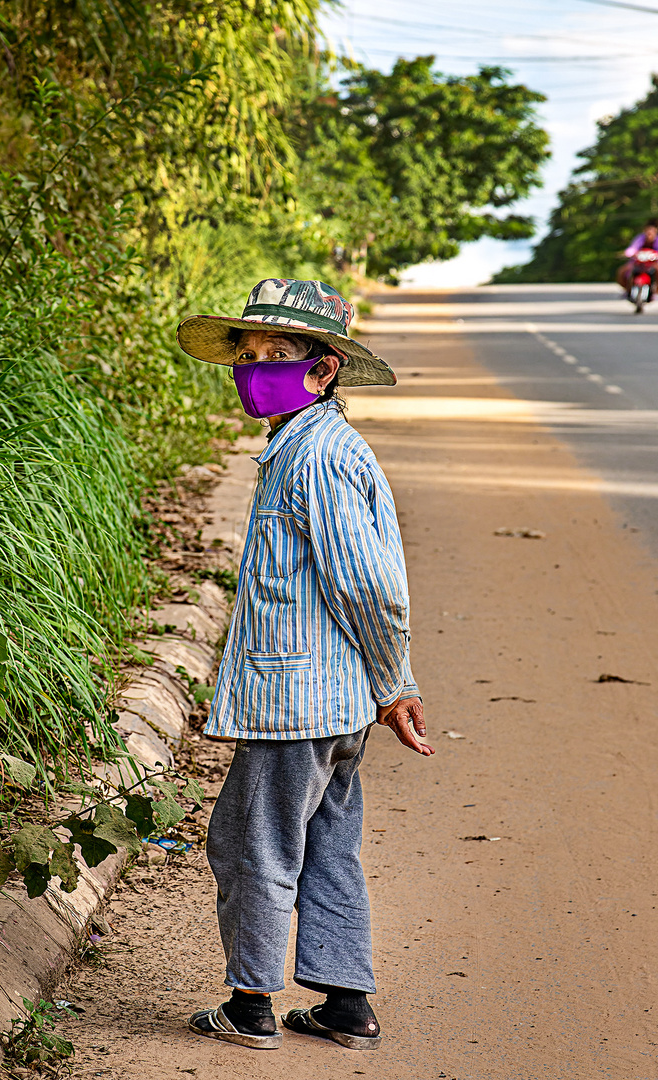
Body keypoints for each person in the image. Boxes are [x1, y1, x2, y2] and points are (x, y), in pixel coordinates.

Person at [175, 278, 433, 1054]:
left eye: (278, 356)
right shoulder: (304, 444)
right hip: (333, 700)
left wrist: (397, 684)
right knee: (325, 843)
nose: (256, 369)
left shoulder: (315, 455)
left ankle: (252, 1002)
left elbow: (369, 584)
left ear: (323, 371)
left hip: (300, 701)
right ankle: (346, 1003)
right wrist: (383, 687)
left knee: (251, 843)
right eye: (248, 355)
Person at [617, 218, 658, 297]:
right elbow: (633, 248)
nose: (649, 234)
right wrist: (628, 253)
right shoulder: (640, 238)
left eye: (651, 232)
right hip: (637, 262)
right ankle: (628, 289)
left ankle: (657, 291)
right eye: (647, 232)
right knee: (622, 271)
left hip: (653, 263)